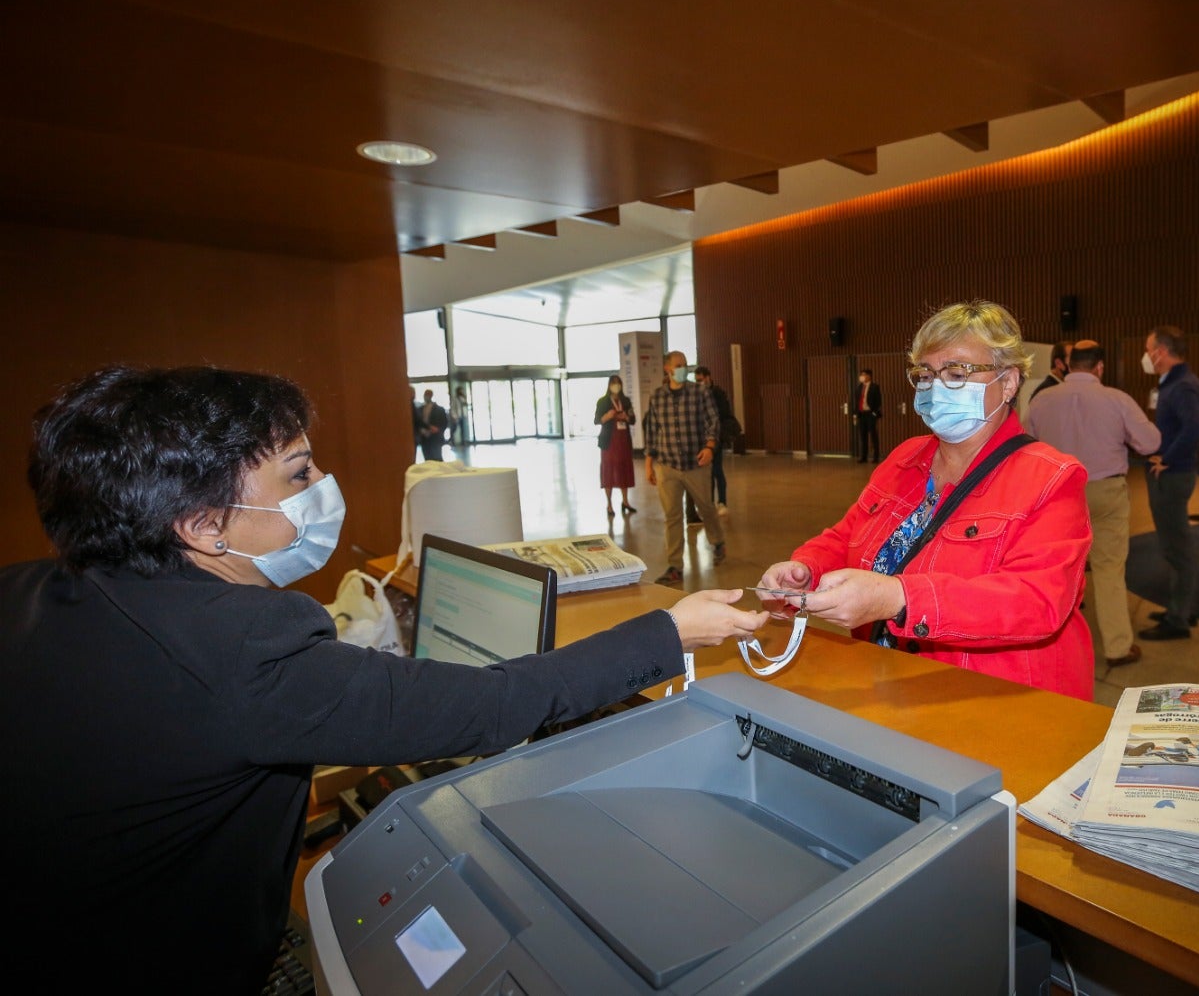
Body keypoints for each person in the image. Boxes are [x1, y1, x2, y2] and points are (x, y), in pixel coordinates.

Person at [0, 365, 768, 994]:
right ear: (204, 525)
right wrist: (671, 631)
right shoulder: (239, 647)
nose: (324, 485)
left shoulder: (32, 590)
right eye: (299, 475)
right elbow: (496, 706)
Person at [758, 300, 1095, 698]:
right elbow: (849, 532)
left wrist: (898, 598)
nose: (936, 387)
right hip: (890, 683)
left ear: (1008, 382)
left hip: (993, 699)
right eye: (925, 374)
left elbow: (1037, 600)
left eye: (956, 373)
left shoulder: (1051, 477)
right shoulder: (905, 458)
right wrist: (805, 569)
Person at [1024, 340, 1161, 667]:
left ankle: (1047, 641)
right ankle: (1117, 647)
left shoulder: (1042, 400)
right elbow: (1151, 442)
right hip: (1105, 492)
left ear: (1069, 366)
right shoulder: (1117, 400)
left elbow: (1025, 445)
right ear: (1100, 367)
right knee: (1109, 568)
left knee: (1056, 568)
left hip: (1059, 493)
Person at [1138, 325, 1199, 641]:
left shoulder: (1182, 387)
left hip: (1172, 476)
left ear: (1161, 352)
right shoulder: (1174, 383)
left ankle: (1178, 619)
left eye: (1148, 348)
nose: (1146, 355)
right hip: (1173, 473)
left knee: (1176, 547)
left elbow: (1194, 429)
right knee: (1175, 545)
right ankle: (1180, 607)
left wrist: (1167, 458)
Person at [642, 351, 727, 585]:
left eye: (685, 365)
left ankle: (718, 541)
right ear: (667, 369)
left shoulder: (700, 392)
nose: (683, 369)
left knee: (706, 507)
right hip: (667, 466)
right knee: (672, 516)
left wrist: (710, 447)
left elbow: (713, 421)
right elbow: (651, 431)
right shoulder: (657, 397)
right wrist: (649, 463)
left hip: (696, 464)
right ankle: (675, 566)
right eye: (678, 365)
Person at [694, 365, 738, 515]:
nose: (699, 383)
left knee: (717, 470)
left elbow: (723, 414)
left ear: (708, 377)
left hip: (717, 437)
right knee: (709, 473)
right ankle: (710, 502)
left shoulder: (718, 393)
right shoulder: (698, 395)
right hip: (704, 438)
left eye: (701, 380)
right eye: (697, 381)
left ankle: (722, 502)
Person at [595, 374, 637, 517]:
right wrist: (608, 416)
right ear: (609, 385)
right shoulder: (603, 401)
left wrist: (626, 417)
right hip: (609, 441)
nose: (616, 386)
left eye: (618, 383)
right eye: (613, 383)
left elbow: (633, 420)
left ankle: (625, 501)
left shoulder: (625, 401)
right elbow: (597, 420)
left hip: (623, 440)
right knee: (609, 471)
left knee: (624, 469)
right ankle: (609, 504)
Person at [854, 367, 883, 463]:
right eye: (861, 375)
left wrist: (874, 412)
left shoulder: (875, 387)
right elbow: (856, 401)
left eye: (864, 374)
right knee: (863, 436)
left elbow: (878, 401)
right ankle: (864, 456)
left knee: (873, 435)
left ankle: (875, 457)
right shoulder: (859, 387)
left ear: (869, 376)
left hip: (871, 414)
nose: (862, 377)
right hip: (862, 414)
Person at [416, 387, 451, 461]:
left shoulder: (440, 409)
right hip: (424, 438)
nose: (426, 397)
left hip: (435, 437)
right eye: (425, 395)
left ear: (431, 396)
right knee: (427, 458)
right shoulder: (420, 409)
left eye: (428, 395)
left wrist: (438, 430)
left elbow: (444, 423)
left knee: (437, 457)